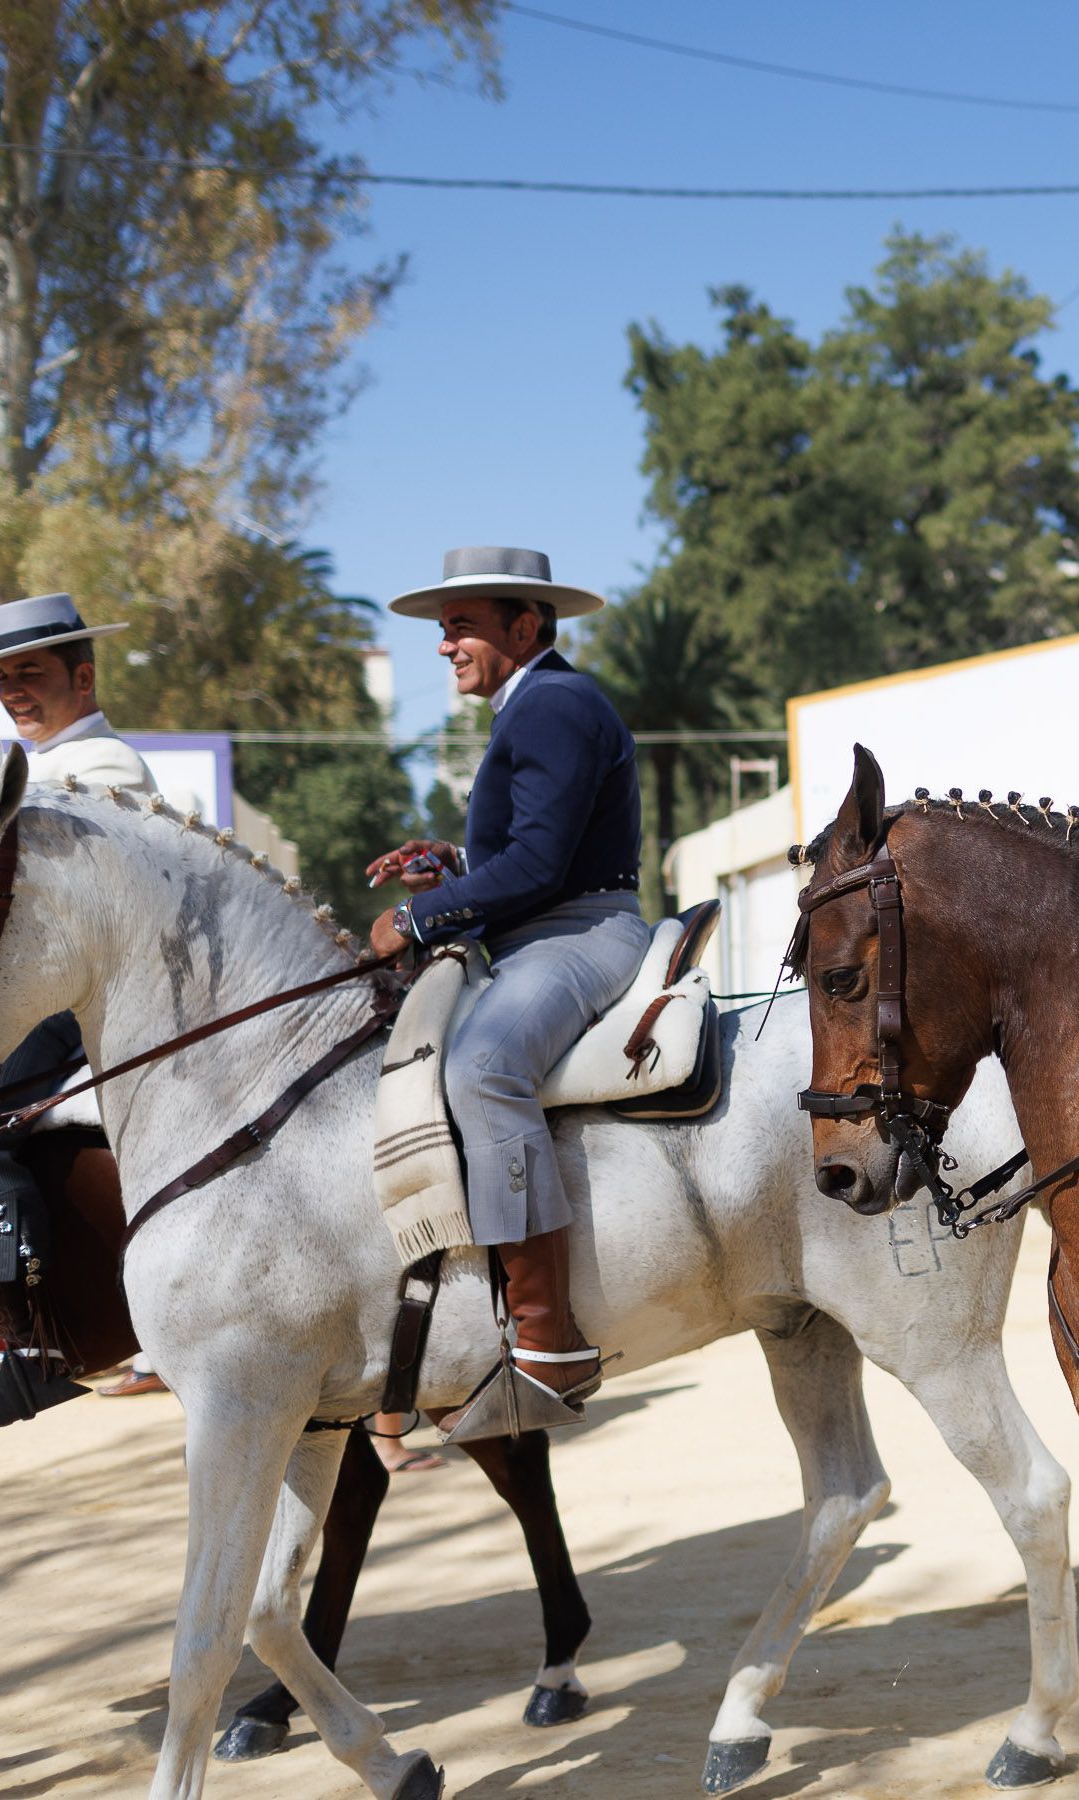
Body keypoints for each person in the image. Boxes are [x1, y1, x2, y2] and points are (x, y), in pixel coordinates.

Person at [367, 547, 646, 1440]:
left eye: (462, 626)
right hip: (540, 931)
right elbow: (524, 852)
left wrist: (418, 921)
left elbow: (542, 866)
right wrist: (449, 868)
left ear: (523, 628)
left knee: (483, 1064)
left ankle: (547, 1338)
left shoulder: (556, 703)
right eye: (443, 630)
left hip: (581, 934)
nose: (445, 645)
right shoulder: (529, 707)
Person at [0, 594, 158, 1445]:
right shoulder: (27, 764)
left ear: (83, 675)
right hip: (20, 990)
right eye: (5, 678)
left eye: (32, 673)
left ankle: (19, 1342)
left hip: (68, 998)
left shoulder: (106, 769)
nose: (14, 691)